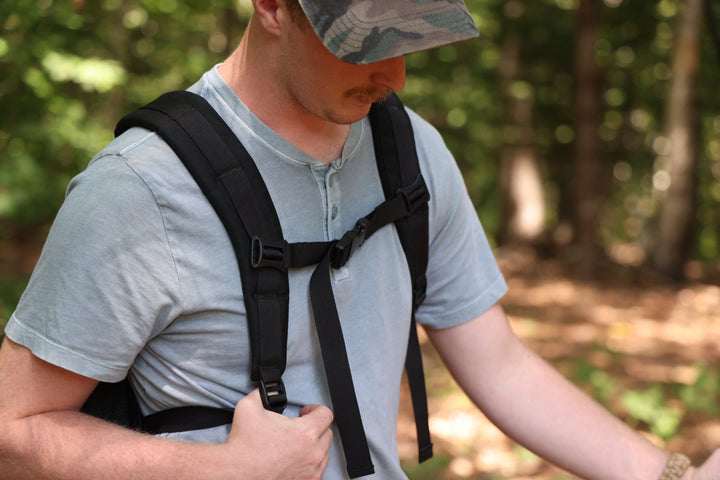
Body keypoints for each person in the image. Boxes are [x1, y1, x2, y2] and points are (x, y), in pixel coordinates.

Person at [0, 0, 718, 479]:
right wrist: (220, 470)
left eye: (413, 42)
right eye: (367, 44)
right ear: (274, 6)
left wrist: (669, 475)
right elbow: (15, 425)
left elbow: (499, 363)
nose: (396, 75)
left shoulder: (411, 152)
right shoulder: (143, 190)